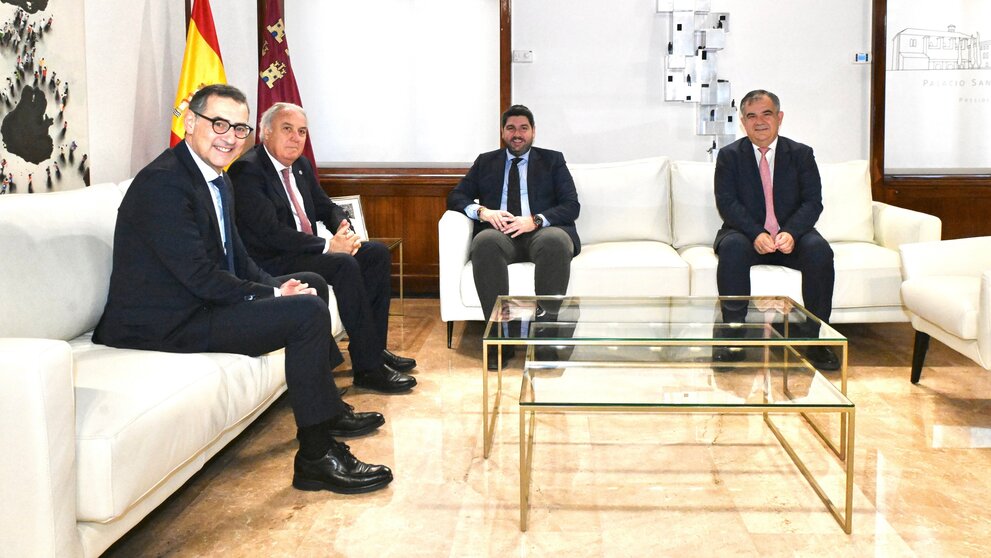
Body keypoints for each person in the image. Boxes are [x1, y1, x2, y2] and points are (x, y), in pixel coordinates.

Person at [93, 84, 393, 494]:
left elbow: (238, 259)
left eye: (239, 128)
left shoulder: (217, 178)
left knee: (310, 285)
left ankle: (326, 410)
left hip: (199, 304)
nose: (230, 137)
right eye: (219, 124)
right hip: (164, 321)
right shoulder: (163, 184)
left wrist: (276, 285)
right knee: (303, 313)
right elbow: (198, 275)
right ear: (190, 123)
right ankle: (316, 457)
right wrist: (270, 296)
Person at [228, 102, 416, 394]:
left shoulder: (300, 166)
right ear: (265, 133)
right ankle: (368, 369)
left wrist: (343, 229)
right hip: (271, 261)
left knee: (376, 254)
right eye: (287, 129)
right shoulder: (247, 171)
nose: (296, 138)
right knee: (343, 264)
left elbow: (325, 206)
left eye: (302, 131)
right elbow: (270, 233)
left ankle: (373, 350)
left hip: (303, 251)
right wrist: (329, 246)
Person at [712, 89, 839, 371]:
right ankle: (733, 339)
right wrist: (756, 233)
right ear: (743, 122)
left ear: (779, 118)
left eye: (766, 114)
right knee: (731, 248)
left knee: (819, 251)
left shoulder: (801, 155)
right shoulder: (729, 156)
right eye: (751, 116)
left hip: (792, 235)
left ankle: (814, 341)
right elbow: (727, 202)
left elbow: (812, 201)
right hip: (746, 235)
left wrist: (792, 232)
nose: (759, 121)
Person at [447, 104, 581, 369]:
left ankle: (544, 341)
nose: (517, 134)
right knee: (484, 243)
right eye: (511, 128)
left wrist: (535, 221)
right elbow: (456, 196)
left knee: (555, 241)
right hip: (501, 235)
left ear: (533, 132)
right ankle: (499, 340)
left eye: (523, 128)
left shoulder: (553, 160)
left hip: (541, 232)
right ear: (502, 132)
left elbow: (571, 205)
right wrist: (483, 212)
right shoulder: (486, 162)